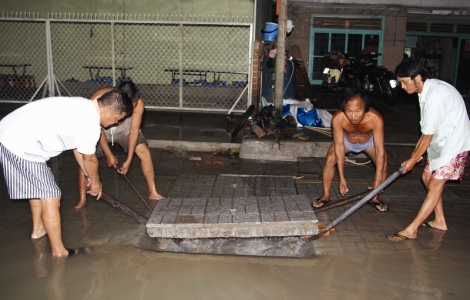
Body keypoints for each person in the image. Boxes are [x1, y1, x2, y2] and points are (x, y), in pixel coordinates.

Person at [0, 91, 133, 257]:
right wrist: (96, 182)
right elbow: (90, 159)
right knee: (51, 195)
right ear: (107, 112)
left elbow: (79, 148)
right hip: (21, 144)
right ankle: (59, 251)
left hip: (8, 133)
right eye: (118, 118)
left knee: (37, 189)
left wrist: (87, 176)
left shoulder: (83, 105)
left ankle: (38, 229)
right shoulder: (90, 124)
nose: (117, 123)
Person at [387, 59, 470, 241]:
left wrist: (413, 159)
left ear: (418, 77)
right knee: (426, 177)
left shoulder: (435, 95)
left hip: (454, 143)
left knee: (435, 184)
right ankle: (439, 221)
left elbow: (427, 136)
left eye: (404, 81)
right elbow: (425, 131)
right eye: (400, 82)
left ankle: (412, 229)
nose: (402, 86)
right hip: (441, 140)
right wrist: (414, 157)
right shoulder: (425, 91)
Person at [75, 81, 164, 209]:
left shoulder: (138, 103)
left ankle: (153, 192)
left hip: (124, 130)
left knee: (144, 152)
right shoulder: (98, 100)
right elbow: (99, 130)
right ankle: (82, 198)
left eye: (134, 104)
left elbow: (134, 131)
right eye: (131, 105)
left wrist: (129, 159)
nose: (134, 108)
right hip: (102, 129)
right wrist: (108, 154)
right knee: (85, 157)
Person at [312, 90, 389, 212]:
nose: (353, 116)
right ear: (343, 109)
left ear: (365, 108)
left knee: (384, 164)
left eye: (358, 111)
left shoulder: (376, 118)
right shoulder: (338, 118)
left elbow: (380, 149)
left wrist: (378, 180)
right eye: (349, 111)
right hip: (347, 141)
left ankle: (375, 197)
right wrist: (342, 178)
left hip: (369, 142)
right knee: (330, 160)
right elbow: (339, 146)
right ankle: (326, 195)